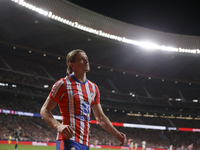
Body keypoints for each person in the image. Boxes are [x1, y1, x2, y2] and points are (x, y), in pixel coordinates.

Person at [40, 49, 126, 150]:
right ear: (72, 65)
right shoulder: (63, 84)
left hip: (85, 143)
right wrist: (58, 126)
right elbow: (44, 110)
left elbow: (100, 117)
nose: (86, 61)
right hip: (68, 140)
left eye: (86, 59)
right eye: (81, 59)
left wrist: (116, 133)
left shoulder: (93, 88)